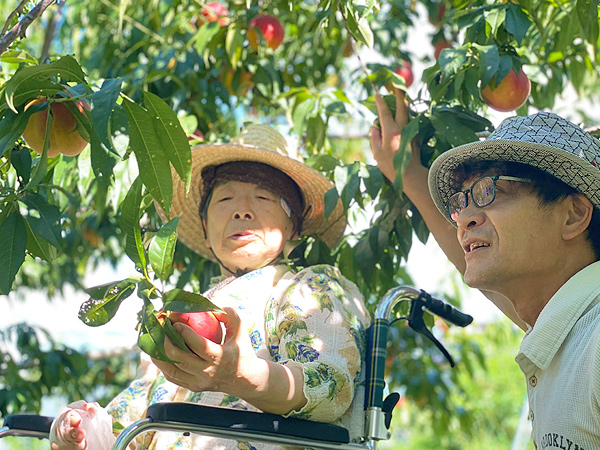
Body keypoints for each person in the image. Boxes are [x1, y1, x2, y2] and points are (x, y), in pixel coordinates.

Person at [50, 124, 370, 450]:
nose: (242, 209)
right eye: (225, 198)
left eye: (262, 197)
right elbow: (138, 414)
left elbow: (332, 388)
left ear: (294, 226)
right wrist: (89, 429)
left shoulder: (308, 289)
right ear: (205, 226)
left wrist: (243, 374)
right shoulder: (186, 310)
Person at [372, 88, 600, 448]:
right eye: (461, 201)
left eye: (491, 192)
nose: (464, 219)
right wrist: (409, 174)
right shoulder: (561, 327)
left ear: (572, 215)